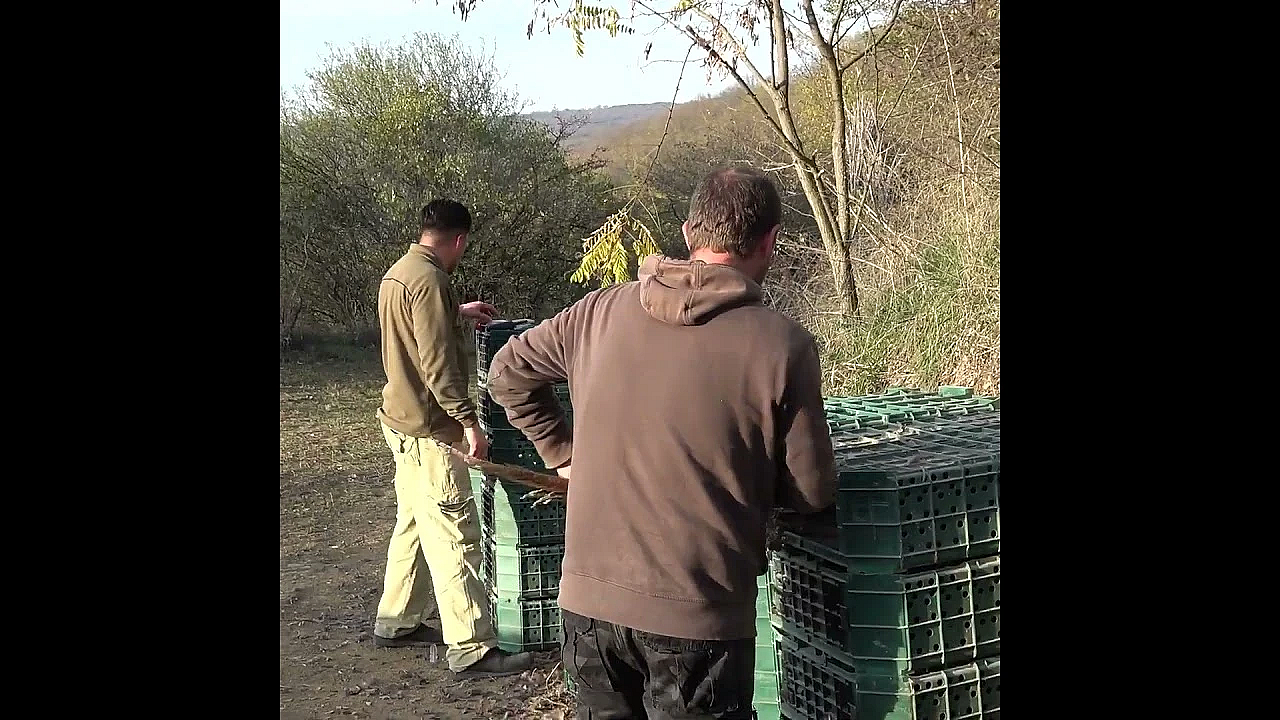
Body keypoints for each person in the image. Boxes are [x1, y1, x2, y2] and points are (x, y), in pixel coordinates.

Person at [487, 167, 837, 717]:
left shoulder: (598, 311)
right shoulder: (781, 345)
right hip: (698, 616)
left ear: (687, 232)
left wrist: (563, 453)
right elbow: (811, 493)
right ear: (769, 242)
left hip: (588, 607)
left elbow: (507, 372)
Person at [371, 198, 533, 678]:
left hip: (398, 420)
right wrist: (468, 422)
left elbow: (412, 326)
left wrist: (454, 311)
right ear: (459, 239)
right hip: (430, 431)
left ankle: (397, 621)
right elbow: (438, 367)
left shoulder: (400, 272)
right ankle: (471, 647)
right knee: (453, 534)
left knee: (414, 523)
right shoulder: (431, 280)